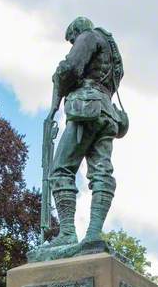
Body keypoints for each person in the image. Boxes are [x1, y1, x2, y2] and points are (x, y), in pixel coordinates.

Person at [44, 17, 128, 253]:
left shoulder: (89, 36)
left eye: (72, 40)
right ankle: (93, 233)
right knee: (102, 172)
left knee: (60, 169)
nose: (73, 44)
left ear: (77, 31)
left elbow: (70, 68)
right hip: (107, 115)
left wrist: (55, 98)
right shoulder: (113, 51)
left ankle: (68, 232)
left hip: (86, 109)